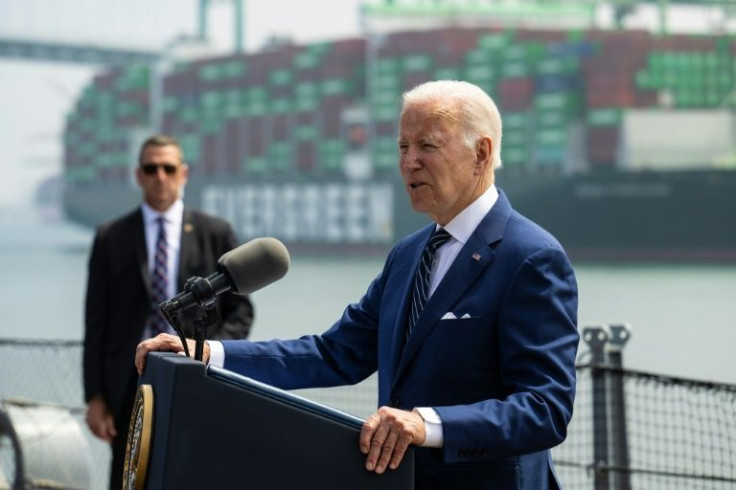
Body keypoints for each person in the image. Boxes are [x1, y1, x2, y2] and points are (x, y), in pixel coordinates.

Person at [136, 81, 579, 489]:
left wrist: (426, 424)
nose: (409, 162)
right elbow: (335, 352)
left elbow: (545, 409)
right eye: (403, 146)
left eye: (427, 145)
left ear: (482, 154)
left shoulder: (532, 258)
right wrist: (203, 352)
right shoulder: (408, 255)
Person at [84, 134, 254, 489]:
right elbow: (95, 322)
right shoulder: (110, 236)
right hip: (128, 381)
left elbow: (241, 311)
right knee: (127, 478)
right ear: (138, 175)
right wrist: (95, 397)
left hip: (197, 376)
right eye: (151, 168)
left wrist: (206, 353)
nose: (160, 175)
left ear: (184, 173)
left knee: (194, 472)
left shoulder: (216, 233)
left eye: (168, 167)